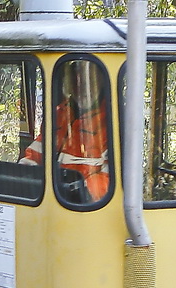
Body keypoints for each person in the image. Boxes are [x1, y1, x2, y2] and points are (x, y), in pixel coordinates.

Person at [20, 61, 110, 202]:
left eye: (88, 75)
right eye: (75, 73)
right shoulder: (59, 114)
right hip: (47, 201)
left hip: (83, 209)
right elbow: (35, 154)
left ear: (101, 78)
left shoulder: (110, 122)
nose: (80, 81)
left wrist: (76, 190)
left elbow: (110, 180)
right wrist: (25, 176)